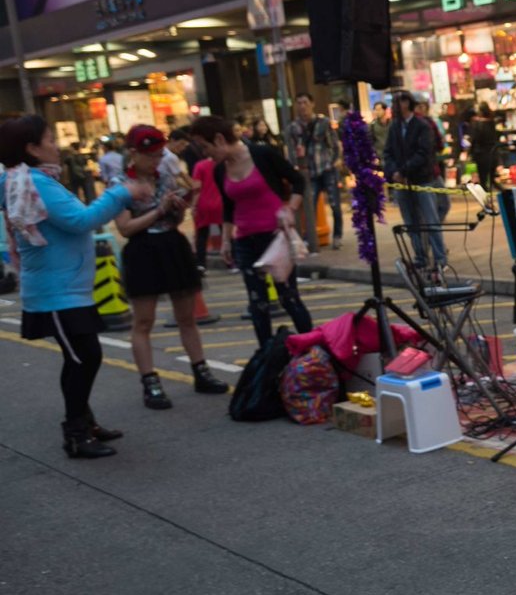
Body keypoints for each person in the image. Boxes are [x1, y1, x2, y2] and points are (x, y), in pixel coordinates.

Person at [0, 115, 151, 457]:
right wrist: (121, 193)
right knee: (83, 358)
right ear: (32, 148)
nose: (57, 144)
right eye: (50, 139)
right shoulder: (34, 183)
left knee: (83, 357)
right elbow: (79, 220)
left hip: (66, 288)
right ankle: (76, 434)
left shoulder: (34, 180)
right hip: (54, 292)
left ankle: (85, 423)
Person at [113, 125, 230, 409]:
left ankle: (201, 371)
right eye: (149, 155)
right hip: (142, 250)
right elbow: (126, 228)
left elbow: (173, 221)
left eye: (158, 155)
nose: (155, 161)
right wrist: (159, 210)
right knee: (144, 320)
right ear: (133, 153)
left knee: (186, 315)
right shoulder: (118, 185)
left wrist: (178, 207)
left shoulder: (166, 177)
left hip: (172, 245)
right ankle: (150, 382)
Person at [188, 116, 315, 349]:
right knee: (258, 304)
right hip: (245, 240)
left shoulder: (262, 154)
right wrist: (226, 241)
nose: (206, 155)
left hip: (275, 239)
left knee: (289, 298)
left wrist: (290, 209)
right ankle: (266, 358)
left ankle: (316, 350)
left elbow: (298, 181)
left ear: (219, 139)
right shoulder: (219, 170)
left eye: (206, 147)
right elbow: (229, 206)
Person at [383, 91, 449, 271]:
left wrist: (403, 170)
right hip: (402, 182)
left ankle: (440, 258)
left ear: (407, 103)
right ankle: (420, 256)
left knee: (431, 221)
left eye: (398, 102)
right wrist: (394, 172)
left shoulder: (422, 125)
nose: (394, 106)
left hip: (422, 180)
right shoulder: (394, 126)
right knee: (410, 222)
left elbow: (424, 152)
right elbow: (387, 152)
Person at [288, 92, 343, 252]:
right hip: (308, 172)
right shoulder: (294, 127)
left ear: (312, 104)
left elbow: (334, 144)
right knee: (309, 205)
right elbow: (292, 150)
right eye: (299, 103)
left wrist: (334, 162)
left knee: (335, 204)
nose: (302, 106)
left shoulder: (323, 122)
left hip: (327, 168)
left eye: (305, 102)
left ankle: (337, 236)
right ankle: (309, 238)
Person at [191, 146, 225, 271]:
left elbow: (197, 188)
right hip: (221, 203)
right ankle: (233, 262)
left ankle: (201, 264)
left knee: (202, 235)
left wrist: (193, 205)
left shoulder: (199, 166)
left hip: (203, 204)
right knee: (225, 233)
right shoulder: (222, 164)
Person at [468, 103, 500, 189]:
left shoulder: (478, 124)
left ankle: (485, 198)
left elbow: (475, 139)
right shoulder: (492, 122)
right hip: (492, 153)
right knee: (492, 178)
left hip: (481, 153)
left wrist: (469, 152)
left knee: (483, 179)